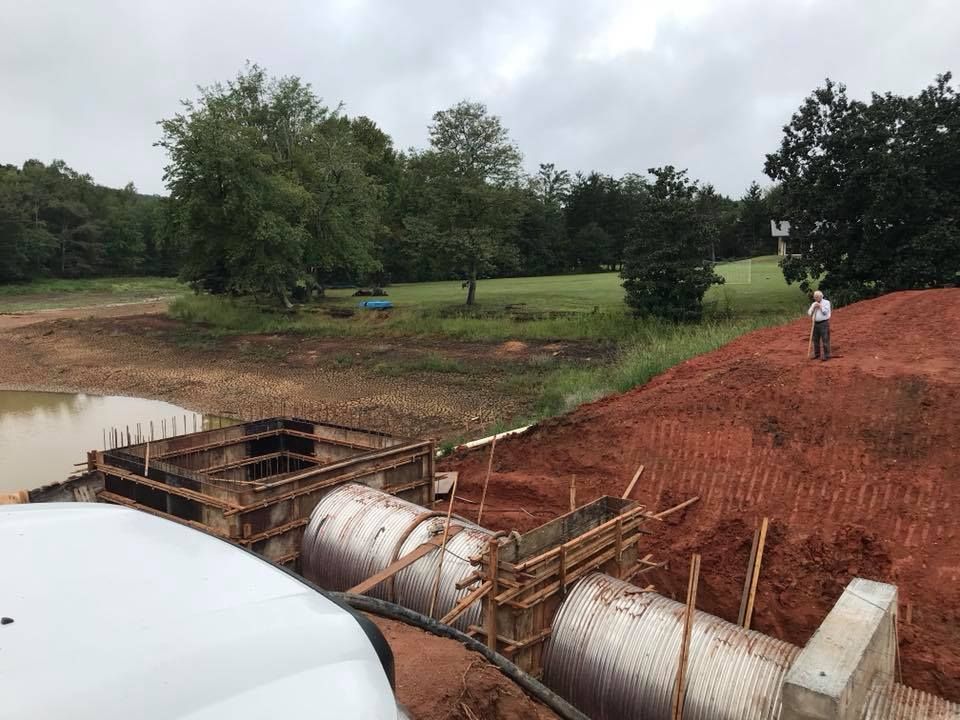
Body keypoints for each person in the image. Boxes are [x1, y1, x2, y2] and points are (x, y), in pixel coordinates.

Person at [807, 290, 831, 361]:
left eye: (817, 297)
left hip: (824, 323)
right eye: (815, 297)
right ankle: (817, 354)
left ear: (821, 296)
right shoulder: (814, 303)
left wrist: (820, 306)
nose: (815, 299)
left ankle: (827, 355)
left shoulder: (826, 302)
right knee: (815, 340)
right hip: (815, 324)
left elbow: (825, 312)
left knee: (825, 339)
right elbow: (809, 313)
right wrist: (813, 308)